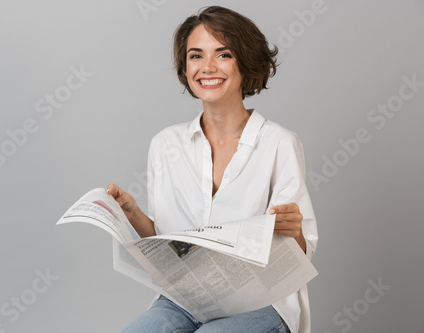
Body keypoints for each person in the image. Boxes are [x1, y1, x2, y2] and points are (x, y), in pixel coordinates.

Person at [107, 5, 318, 333]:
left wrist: (295, 231)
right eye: (195, 56)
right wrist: (132, 213)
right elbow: (167, 247)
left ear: (245, 63)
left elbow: (301, 254)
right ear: (184, 66)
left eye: (223, 55)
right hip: (186, 298)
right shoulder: (165, 144)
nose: (207, 67)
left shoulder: (280, 142)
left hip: (260, 302)